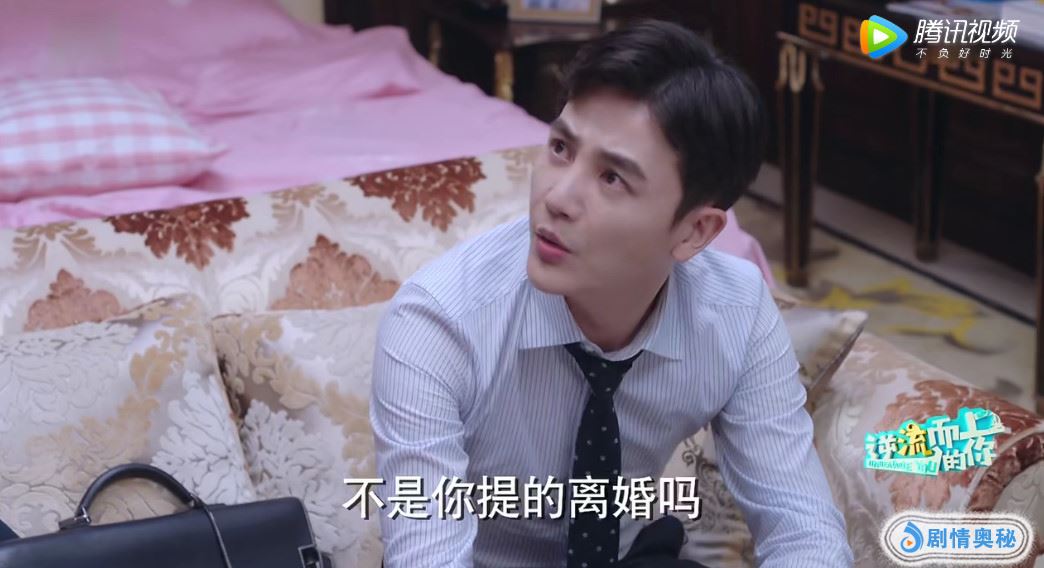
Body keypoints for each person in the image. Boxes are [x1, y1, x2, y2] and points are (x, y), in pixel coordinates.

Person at [370, 19, 854, 568]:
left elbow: (803, 530)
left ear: (694, 231)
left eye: (612, 178)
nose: (557, 198)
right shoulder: (439, 322)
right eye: (560, 148)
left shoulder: (736, 312)